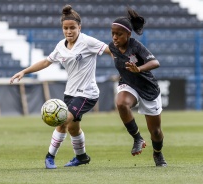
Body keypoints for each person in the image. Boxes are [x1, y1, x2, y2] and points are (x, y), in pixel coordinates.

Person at [10, 4, 112, 169]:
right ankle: (82, 157)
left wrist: (122, 64)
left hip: (87, 93)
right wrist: (24, 71)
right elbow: (45, 62)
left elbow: (110, 50)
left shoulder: (87, 42)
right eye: (66, 28)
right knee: (73, 128)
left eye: (72, 28)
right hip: (70, 92)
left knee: (62, 121)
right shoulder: (60, 46)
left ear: (79, 27)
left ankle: (49, 157)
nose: (69, 31)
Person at [107, 7, 167, 167]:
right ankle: (137, 138)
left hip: (148, 88)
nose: (115, 37)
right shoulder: (112, 47)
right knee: (121, 103)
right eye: (113, 33)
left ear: (128, 34)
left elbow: (155, 62)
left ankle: (158, 154)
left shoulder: (136, 46)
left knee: (155, 132)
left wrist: (139, 69)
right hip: (128, 84)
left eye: (119, 34)